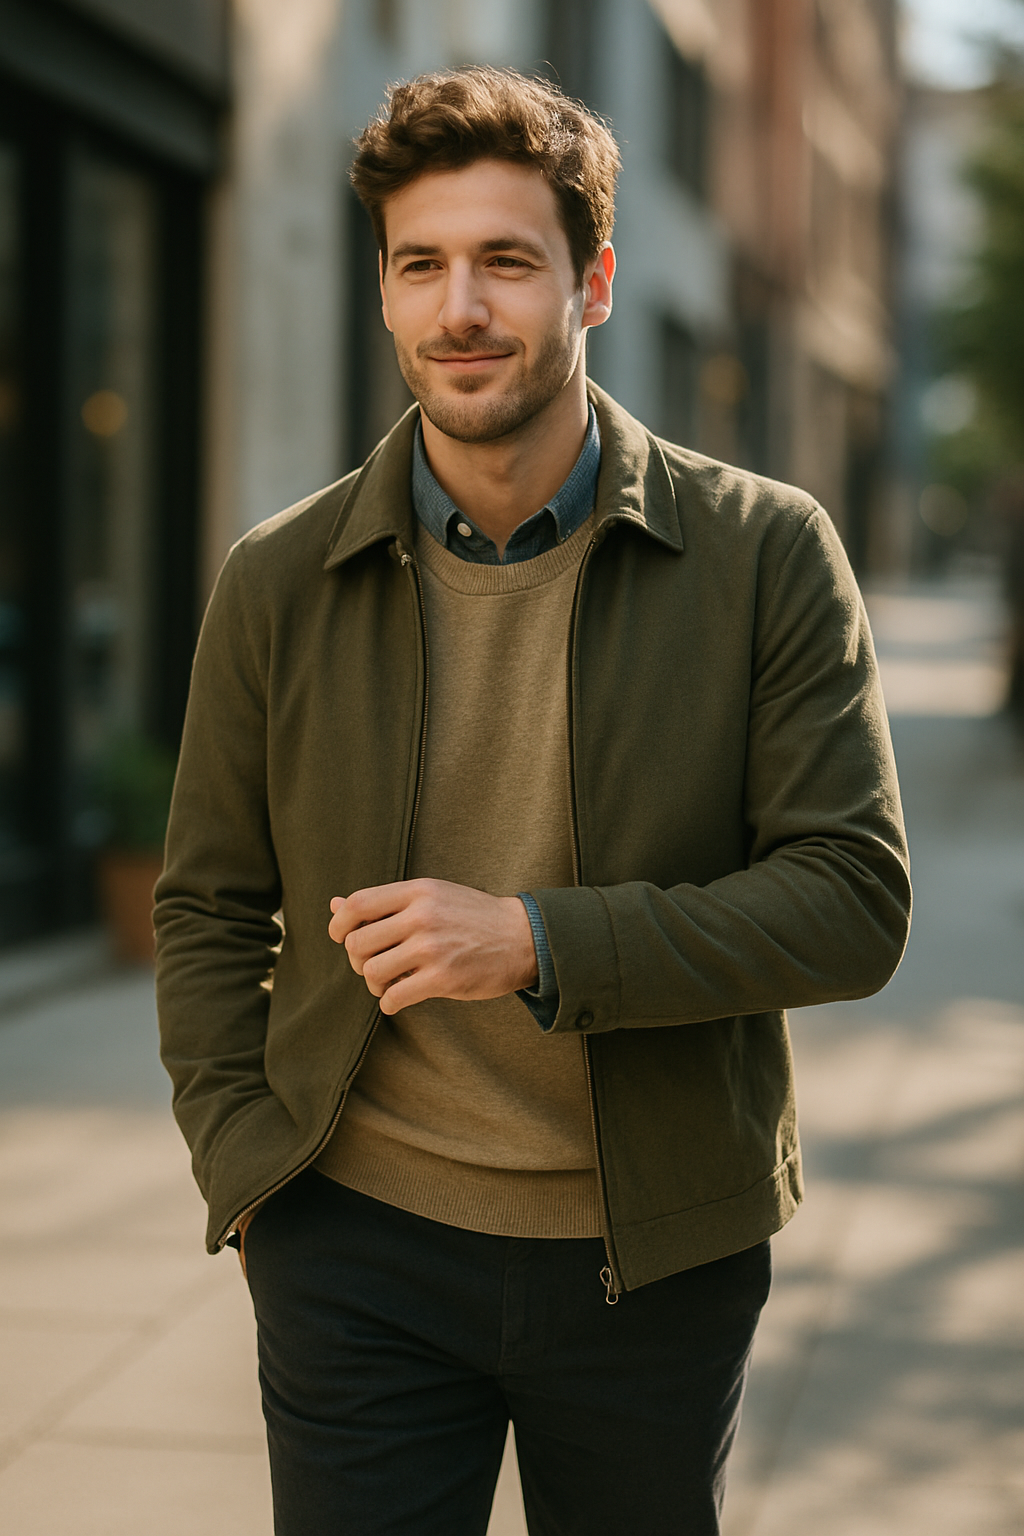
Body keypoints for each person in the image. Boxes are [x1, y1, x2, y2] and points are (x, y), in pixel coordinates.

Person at [155, 65, 911, 1536]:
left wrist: (538, 942)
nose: (462, 309)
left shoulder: (766, 554)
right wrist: (248, 1167)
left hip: (655, 1254)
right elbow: (204, 905)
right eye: (421, 265)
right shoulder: (276, 579)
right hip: (354, 1244)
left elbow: (852, 904)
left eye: (507, 261)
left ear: (596, 281)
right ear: (381, 291)